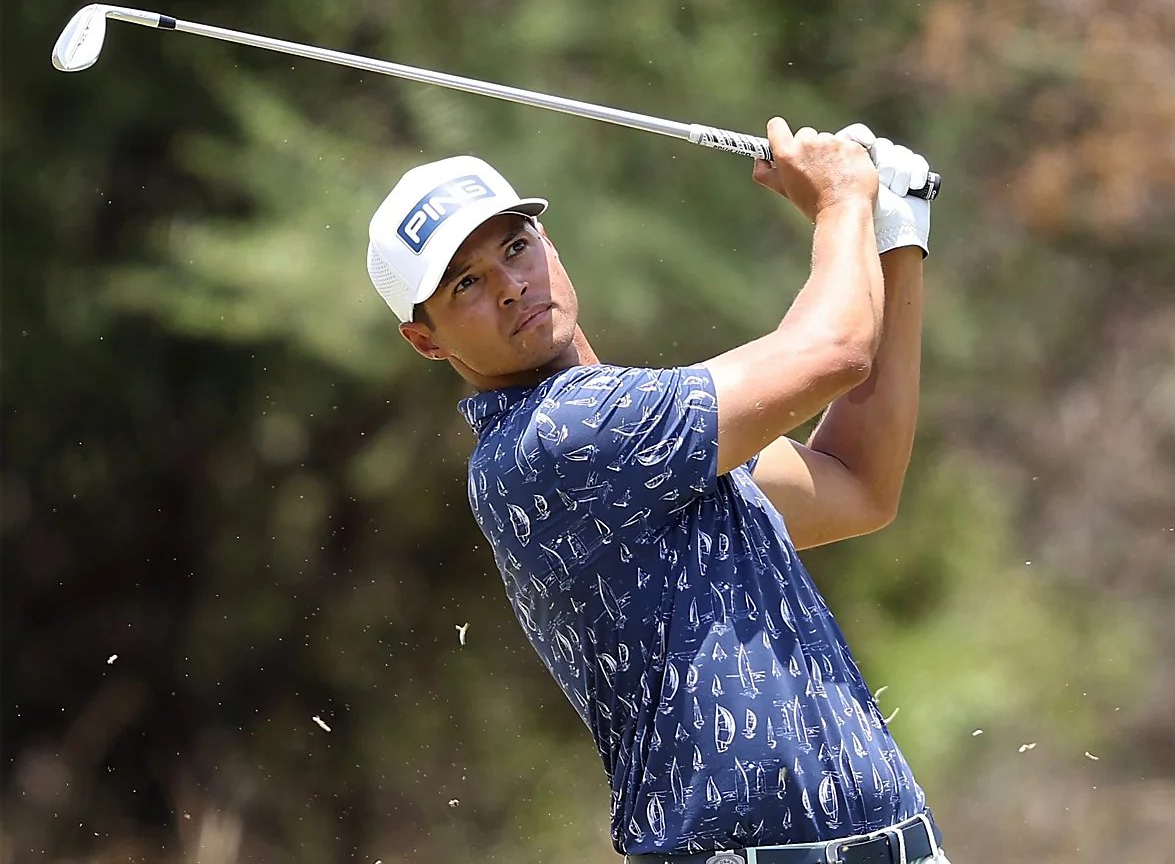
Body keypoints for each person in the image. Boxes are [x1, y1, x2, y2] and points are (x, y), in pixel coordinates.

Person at [365, 118, 950, 864]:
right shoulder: (560, 438)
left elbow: (859, 487)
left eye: (516, 247)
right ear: (427, 340)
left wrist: (895, 239)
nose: (511, 287)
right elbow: (834, 350)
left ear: (550, 248)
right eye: (467, 284)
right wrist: (844, 206)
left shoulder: (645, 437)